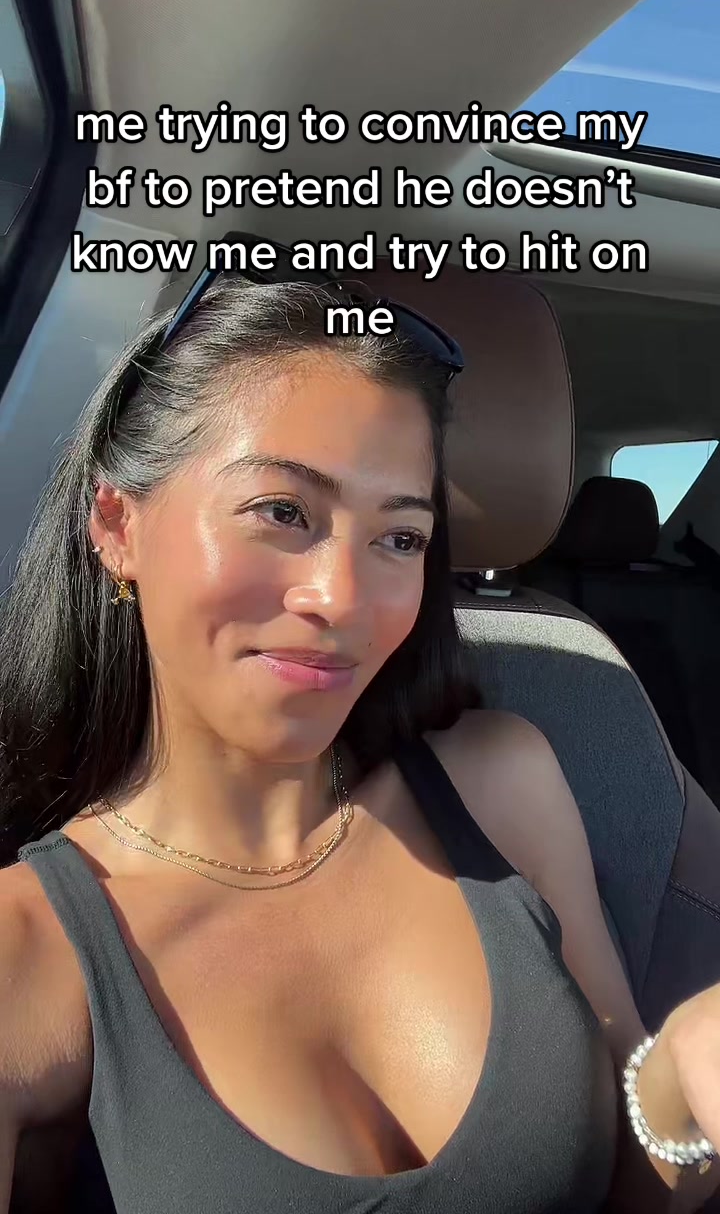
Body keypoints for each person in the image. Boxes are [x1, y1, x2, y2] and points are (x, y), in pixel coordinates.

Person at [0, 259, 718, 1214]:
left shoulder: (501, 785)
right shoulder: (29, 950)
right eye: (282, 512)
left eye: (400, 538)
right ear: (117, 526)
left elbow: (632, 1188)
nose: (341, 600)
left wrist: (680, 1074)